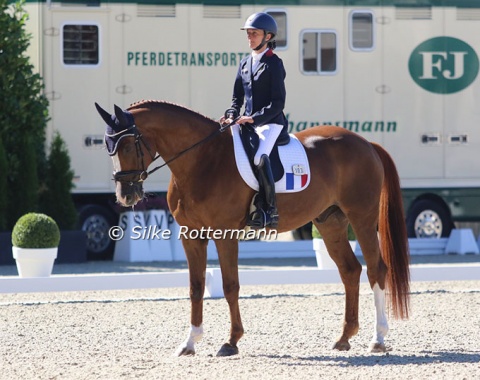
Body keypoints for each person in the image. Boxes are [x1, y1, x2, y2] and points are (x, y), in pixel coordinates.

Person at [222, 12, 288, 229]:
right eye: (248, 33)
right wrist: (232, 113)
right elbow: (236, 98)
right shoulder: (244, 63)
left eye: (254, 34)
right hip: (247, 123)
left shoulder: (274, 64)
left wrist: (255, 117)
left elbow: (278, 103)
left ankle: (269, 209)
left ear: (267, 37)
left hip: (270, 122)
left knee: (260, 156)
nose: (250, 38)